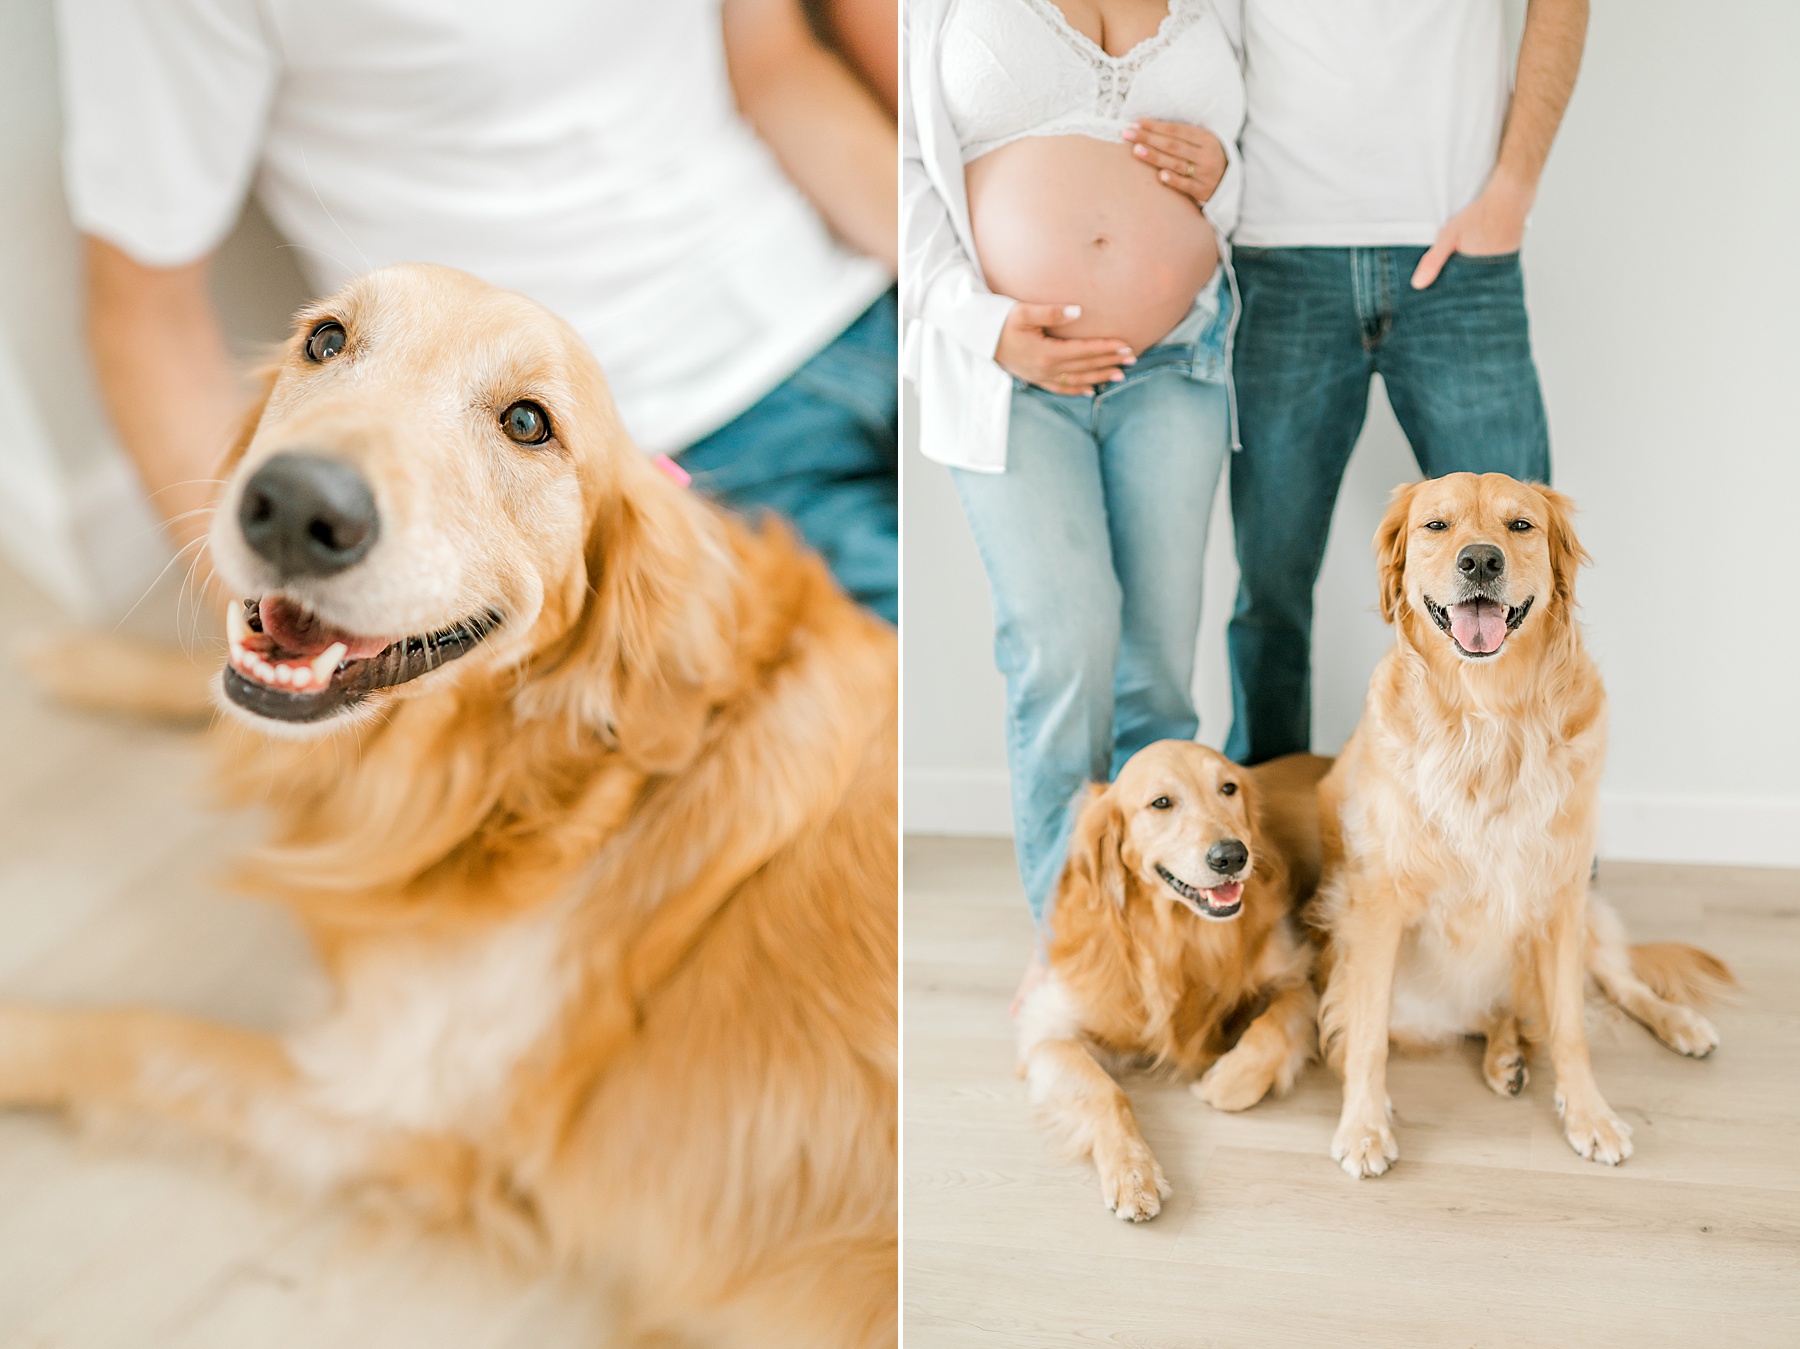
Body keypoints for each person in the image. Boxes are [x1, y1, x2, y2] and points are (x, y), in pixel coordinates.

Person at [56, 0, 900, 624]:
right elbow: (145, 314)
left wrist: (966, 290)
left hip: (867, 299)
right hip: (648, 450)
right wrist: (290, 637)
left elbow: (775, 66)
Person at [1147, 0, 1589, 763]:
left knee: (1529, 573)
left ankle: (1537, 845)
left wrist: (1512, 190)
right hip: (1279, 256)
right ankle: (1269, 846)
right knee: (1272, 582)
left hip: (1463, 257)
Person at [903, 0, 1242, 949]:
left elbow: (1251, 159)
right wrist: (986, 326)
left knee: (1158, 677)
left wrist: (1224, 178)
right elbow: (887, 161)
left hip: (1177, 363)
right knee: (1063, 652)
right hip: (1010, 376)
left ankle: (1165, 948)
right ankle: (1076, 950)